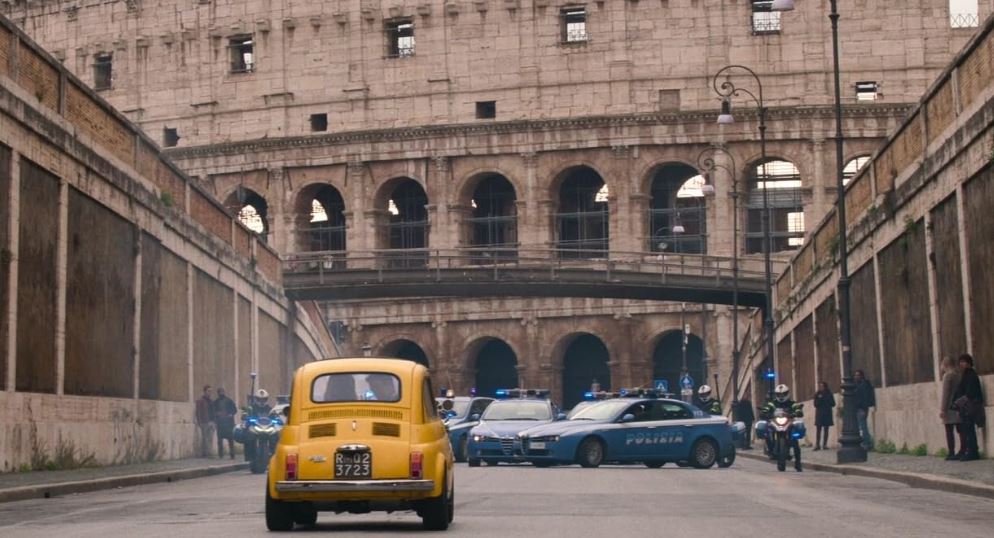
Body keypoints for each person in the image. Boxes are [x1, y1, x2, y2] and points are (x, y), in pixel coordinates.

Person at [760, 384, 804, 472]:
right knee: (767, 433)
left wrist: (797, 412)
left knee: (795, 441)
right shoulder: (773, 403)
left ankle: (798, 463)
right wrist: (764, 413)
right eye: (779, 394)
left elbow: (797, 409)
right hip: (775, 422)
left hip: (788, 422)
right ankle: (770, 450)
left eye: (783, 394)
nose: (781, 396)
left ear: (787, 394)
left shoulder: (792, 403)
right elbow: (766, 409)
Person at [953, 354, 985, 461]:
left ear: (968, 363)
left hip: (970, 407)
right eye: (960, 362)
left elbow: (970, 393)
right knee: (966, 430)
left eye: (963, 362)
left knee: (969, 429)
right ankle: (969, 450)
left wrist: (959, 402)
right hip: (966, 407)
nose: (961, 364)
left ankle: (973, 452)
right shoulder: (965, 375)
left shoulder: (971, 375)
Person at [939, 356, 961, 460]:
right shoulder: (958, 375)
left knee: (949, 431)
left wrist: (943, 409)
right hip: (959, 406)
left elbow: (945, 394)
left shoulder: (947, 376)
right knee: (961, 430)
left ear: (945, 364)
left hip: (949, 407)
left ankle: (951, 452)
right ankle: (962, 450)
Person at [213, 387, 238, 459]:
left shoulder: (229, 401)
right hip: (220, 423)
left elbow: (234, 410)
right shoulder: (216, 402)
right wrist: (216, 414)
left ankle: (232, 455)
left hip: (229, 423)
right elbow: (213, 411)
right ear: (218, 393)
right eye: (220, 392)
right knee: (219, 440)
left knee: (230, 440)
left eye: (222, 392)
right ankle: (220, 455)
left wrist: (231, 414)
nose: (221, 393)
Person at [854, 370, 876, 451]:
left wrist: (863, 409)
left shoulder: (863, 385)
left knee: (863, 427)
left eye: (858, 375)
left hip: (862, 408)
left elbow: (864, 398)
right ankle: (866, 443)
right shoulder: (857, 384)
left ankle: (867, 443)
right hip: (858, 408)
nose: (856, 377)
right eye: (855, 375)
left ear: (862, 376)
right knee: (861, 426)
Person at [813, 381, 835, 451]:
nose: (821, 387)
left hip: (827, 413)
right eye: (820, 386)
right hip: (819, 413)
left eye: (822, 386)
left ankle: (825, 444)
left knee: (826, 429)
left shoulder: (829, 394)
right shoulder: (817, 394)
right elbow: (815, 404)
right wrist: (820, 399)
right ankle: (817, 444)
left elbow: (833, 403)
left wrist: (827, 400)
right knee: (818, 429)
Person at [195, 385, 214, 458]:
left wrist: (214, 422)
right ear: (205, 391)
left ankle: (209, 452)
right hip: (204, 421)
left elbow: (213, 412)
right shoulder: (200, 400)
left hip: (211, 422)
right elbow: (198, 412)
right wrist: (199, 422)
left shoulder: (211, 401)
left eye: (211, 391)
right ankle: (205, 453)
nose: (210, 393)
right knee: (205, 438)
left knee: (210, 438)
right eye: (208, 391)